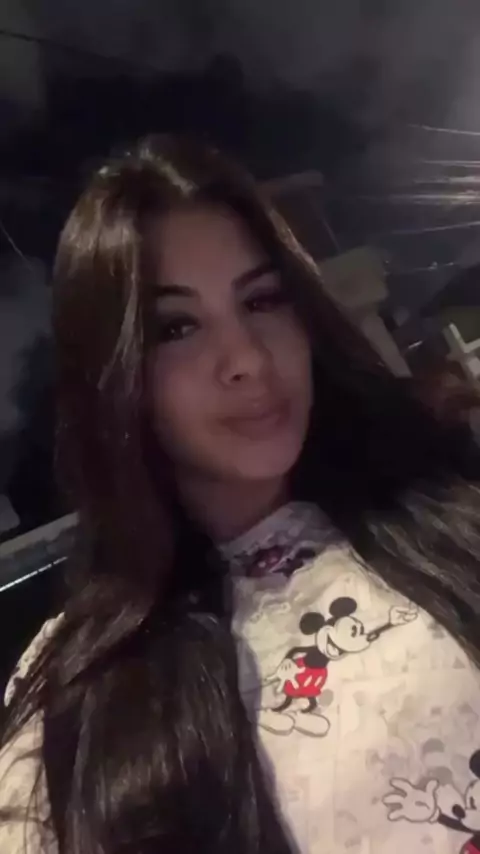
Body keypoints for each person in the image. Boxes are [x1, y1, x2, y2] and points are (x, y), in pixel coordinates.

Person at [2, 135, 480, 854]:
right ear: (116, 374)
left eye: (261, 300)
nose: (247, 360)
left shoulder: (441, 511)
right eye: (177, 327)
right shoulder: (79, 690)